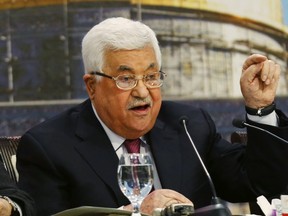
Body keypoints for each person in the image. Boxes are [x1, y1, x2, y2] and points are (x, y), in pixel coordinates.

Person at [16, 17, 288, 216]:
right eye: (125, 78)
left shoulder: (188, 125)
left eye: (151, 76)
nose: (143, 91)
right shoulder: (49, 148)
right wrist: (133, 213)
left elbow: (258, 185)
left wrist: (260, 108)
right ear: (92, 86)